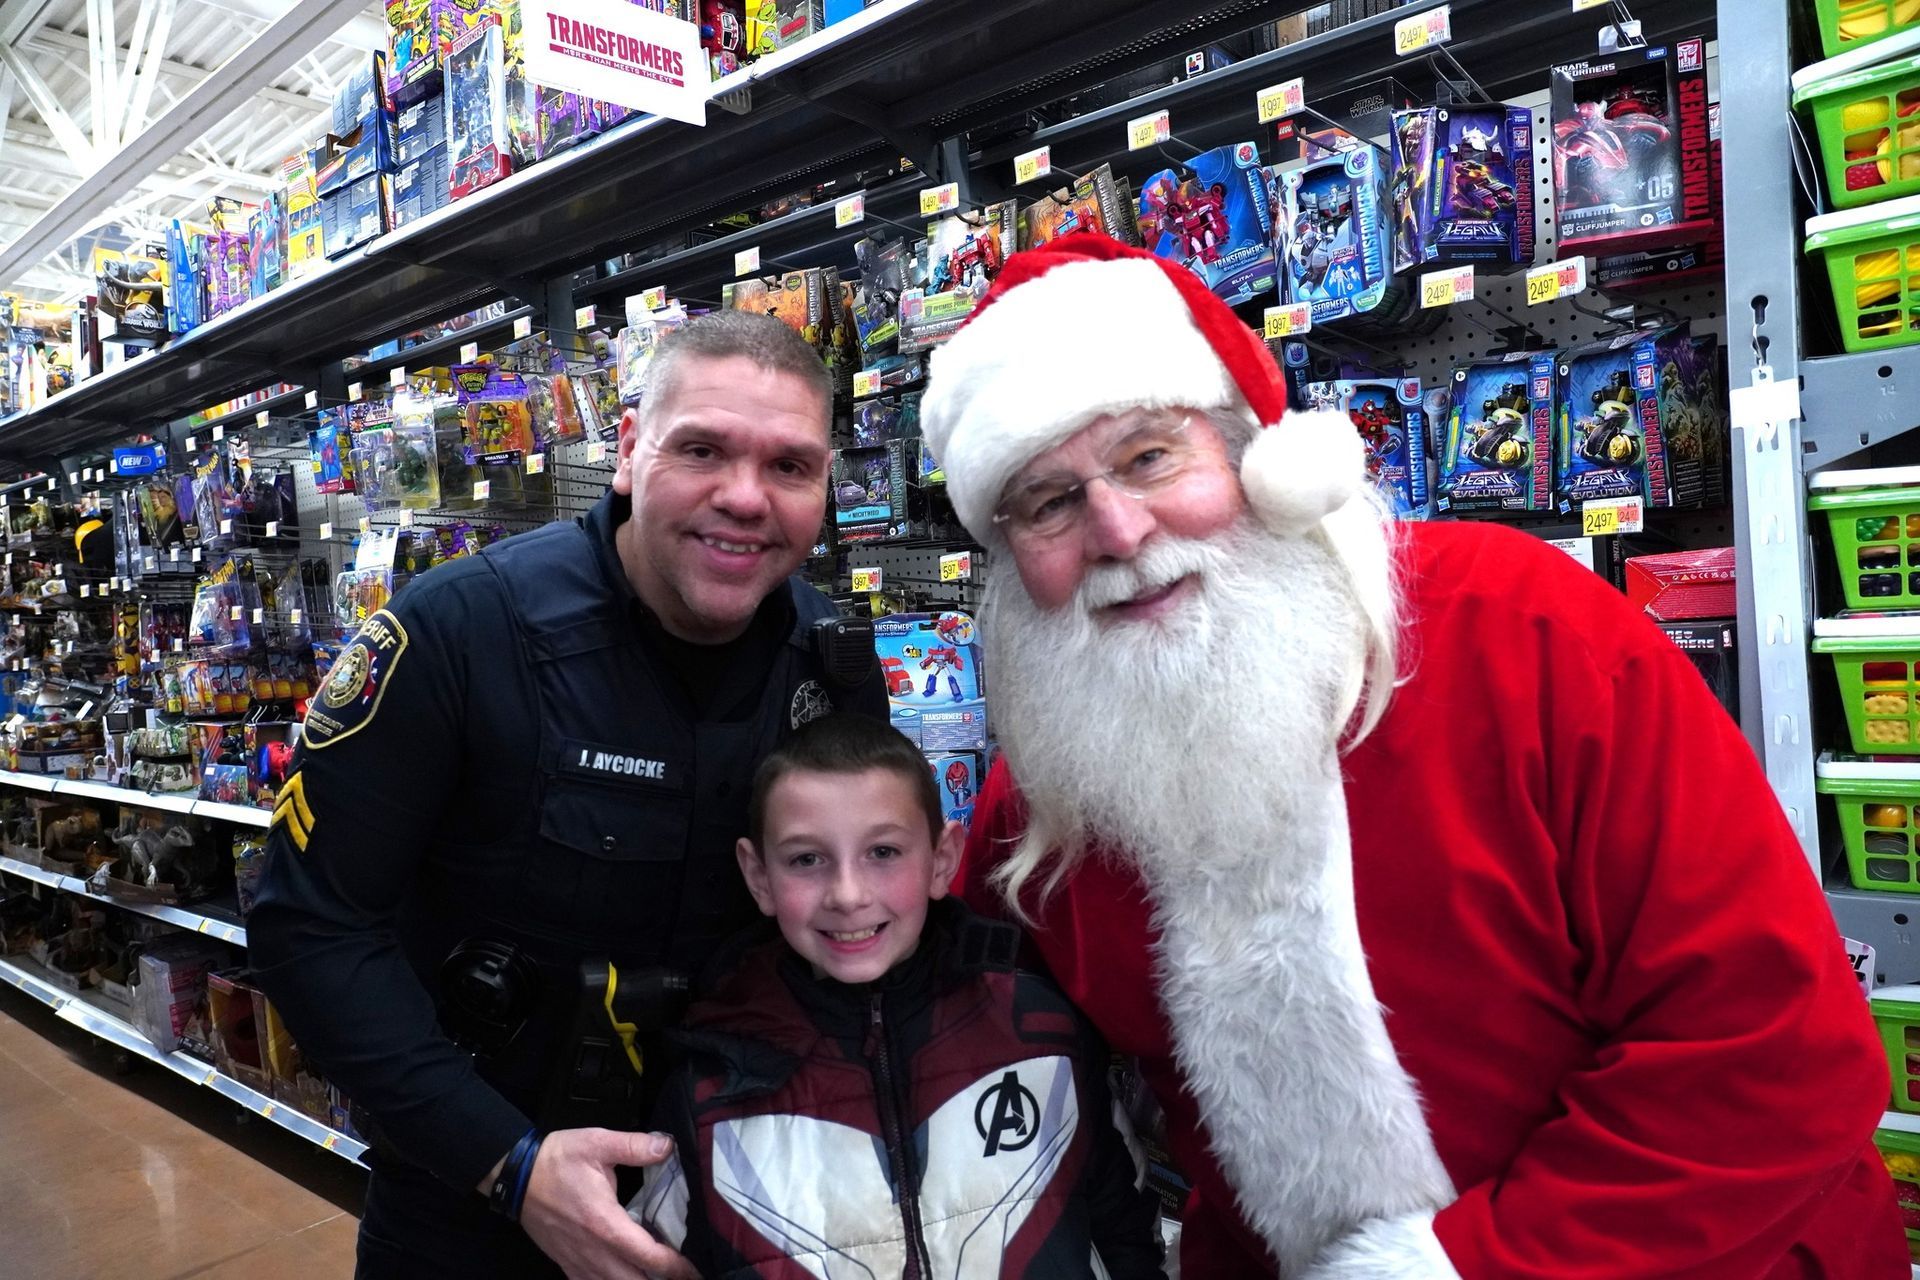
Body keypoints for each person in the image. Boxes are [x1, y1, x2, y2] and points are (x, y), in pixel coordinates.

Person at [916, 233, 1908, 1278]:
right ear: (1011, 559)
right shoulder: (1047, 811)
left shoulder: (1528, 631)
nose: (1118, 529)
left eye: (1150, 457)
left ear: (1257, 454)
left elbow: (1773, 1048)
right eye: (1049, 502)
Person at [249, 311, 887, 1280]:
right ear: (630, 452)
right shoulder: (459, 630)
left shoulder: (831, 661)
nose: (746, 497)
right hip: (470, 1207)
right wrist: (509, 1165)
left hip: (738, 1194)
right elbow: (312, 920)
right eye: (703, 448)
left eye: (790, 466)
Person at [628, 714, 1167, 1278]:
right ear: (759, 877)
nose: (848, 894)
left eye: (883, 852)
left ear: (942, 860)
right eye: (806, 859)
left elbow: (1127, 1235)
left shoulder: (1044, 1037)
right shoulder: (708, 1088)